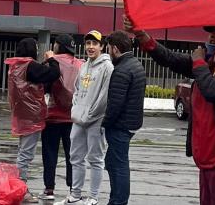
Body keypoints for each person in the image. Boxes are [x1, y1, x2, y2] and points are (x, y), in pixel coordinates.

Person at [124, 16, 215, 205]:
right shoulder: (211, 63)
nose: (212, 37)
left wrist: (199, 63)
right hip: (208, 158)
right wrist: (141, 34)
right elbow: (169, 58)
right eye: (211, 32)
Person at [55, 30, 114, 205]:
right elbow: (77, 89)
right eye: (88, 43)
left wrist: (90, 114)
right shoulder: (84, 65)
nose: (90, 47)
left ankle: (93, 197)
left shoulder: (107, 67)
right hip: (79, 119)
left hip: (96, 120)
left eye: (94, 44)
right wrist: (76, 109)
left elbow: (104, 97)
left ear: (102, 46)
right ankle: (75, 195)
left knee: (95, 158)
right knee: (75, 157)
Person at [5, 38, 60, 203]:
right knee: (26, 154)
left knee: (22, 151)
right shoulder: (29, 65)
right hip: (31, 116)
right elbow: (53, 73)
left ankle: (19, 186)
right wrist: (51, 59)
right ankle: (21, 189)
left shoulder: (16, 65)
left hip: (21, 115)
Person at [102, 31, 146, 205]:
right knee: (114, 163)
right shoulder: (135, 64)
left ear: (115, 48)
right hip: (130, 124)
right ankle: (117, 199)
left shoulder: (121, 70)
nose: (108, 52)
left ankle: (118, 201)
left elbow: (115, 104)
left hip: (120, 126)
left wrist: (105, 123)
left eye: (109, 48)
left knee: (118, 166)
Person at [39, 34, 85, 200]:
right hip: (73, 118)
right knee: (72, 155)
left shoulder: (52, 61)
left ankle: (49, 189)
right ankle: (73, 189)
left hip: (52, 116)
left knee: (49, 152)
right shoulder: (81, 64)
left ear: (58, 45)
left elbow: (43, 86)